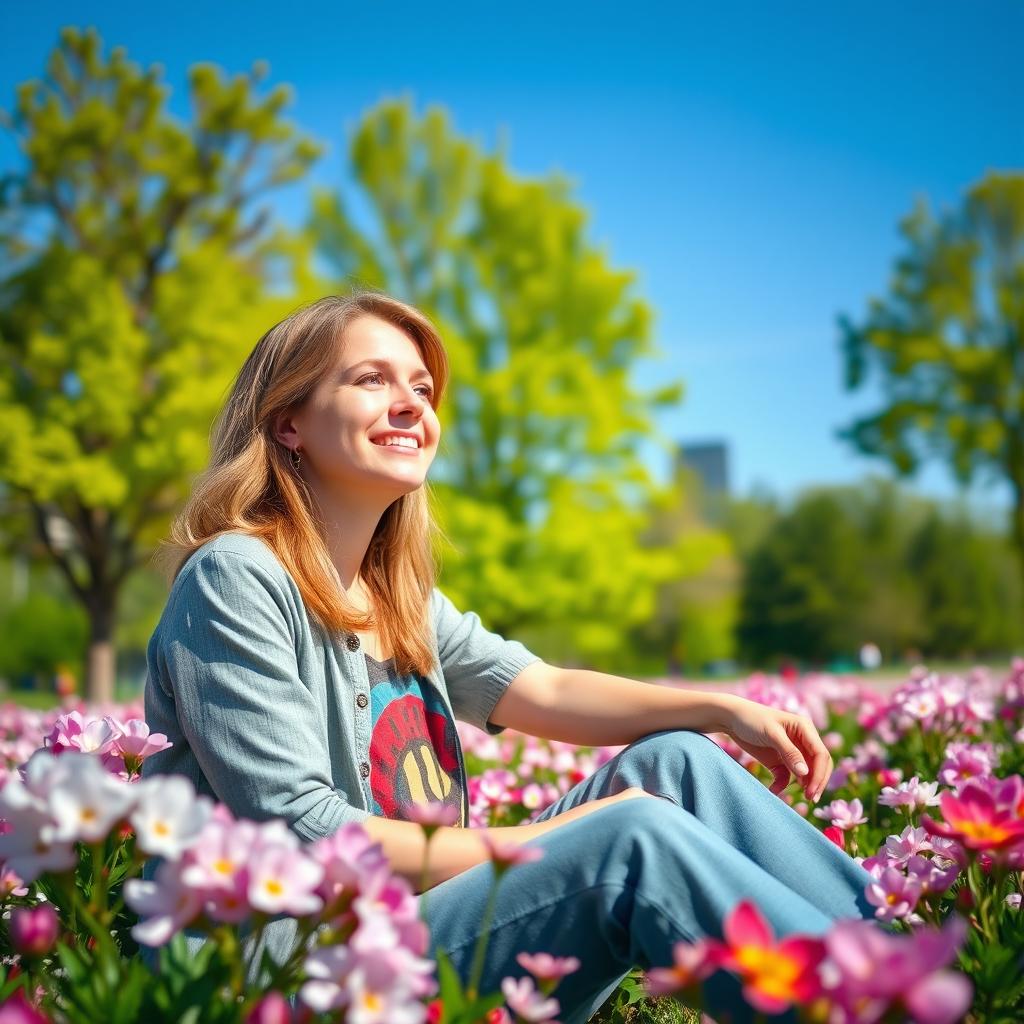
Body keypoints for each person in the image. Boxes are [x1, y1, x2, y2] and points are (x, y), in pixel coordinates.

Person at [141, 291, 877, 1023]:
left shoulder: (399, 598)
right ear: (288, 423)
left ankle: (894, 966)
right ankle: (873, 1007)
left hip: (409, 935)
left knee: (674, 763)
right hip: (300, 978)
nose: (410, 406)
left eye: (422, 389)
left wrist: (721, 707)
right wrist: (545, 841)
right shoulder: (236, 576)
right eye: (372, 379)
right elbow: (307, 827)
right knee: (629, 837)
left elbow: (547, 690)